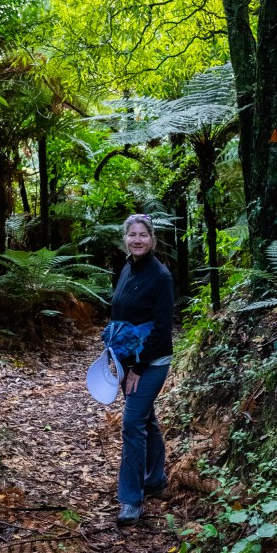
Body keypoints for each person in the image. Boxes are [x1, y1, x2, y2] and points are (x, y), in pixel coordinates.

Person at [109, 213, 174, 527]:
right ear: (125, 238)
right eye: (132, 234)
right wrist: (113, 353)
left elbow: (162, 330)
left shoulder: (160, 277)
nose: (137, 240)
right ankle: (155, 477)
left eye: (143, 235)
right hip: (127, 360)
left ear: (152, 240)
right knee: (145, 417)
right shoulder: (126, 268)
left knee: (132, 422)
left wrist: (136, 366)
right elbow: (120, 314)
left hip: (152, 362)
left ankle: (131, 500)